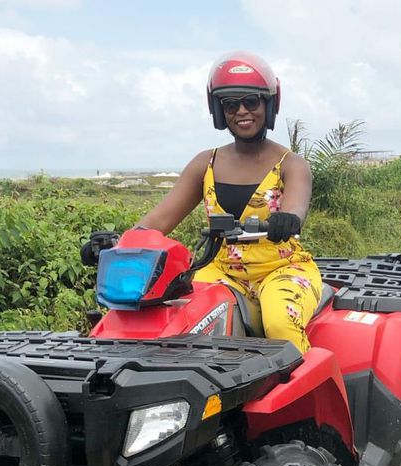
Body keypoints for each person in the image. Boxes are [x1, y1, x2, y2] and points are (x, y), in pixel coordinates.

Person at [134, 51, 320, 353]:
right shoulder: (205, 163)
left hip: (279, 268)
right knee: (179, 318)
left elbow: (295, 205)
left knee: (280, 324)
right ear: (220, 111)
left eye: (251, 101)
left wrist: (288, 219)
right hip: (218, 268)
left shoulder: (291, 163)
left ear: (268, 104)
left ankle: (296, 396)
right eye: (231, 104)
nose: (242, 111)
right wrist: (121, 241)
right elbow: (158, 221)